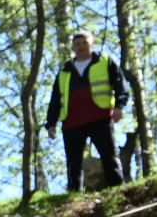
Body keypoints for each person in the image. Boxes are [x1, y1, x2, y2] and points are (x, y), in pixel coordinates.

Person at [44, 29, 130, 192]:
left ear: (92, 43)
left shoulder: (105, 61)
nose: (81, 46)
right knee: (73, 162)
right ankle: (74, 194)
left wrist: (119, 106)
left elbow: (120, 84)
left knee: (109, 155)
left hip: (100, 117)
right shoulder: (65, 70)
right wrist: (51, 124)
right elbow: (55, 99)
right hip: (72, 122)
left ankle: (118, 189)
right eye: (77, 44)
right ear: (73, 48)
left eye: (85, 43)